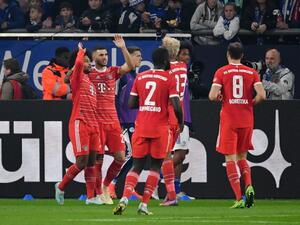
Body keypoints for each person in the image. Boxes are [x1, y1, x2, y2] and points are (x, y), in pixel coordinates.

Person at [113, 47, 183, 216]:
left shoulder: (141, 76)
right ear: (166, 61)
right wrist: (179, 122)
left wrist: (146, 104)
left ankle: (124, 199)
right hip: (160, 128)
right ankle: (143, 205)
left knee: (136, 166)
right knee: (155, 167)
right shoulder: (169, 78)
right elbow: (176, 104)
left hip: (141, 126)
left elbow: (130, 103)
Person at [209, 42, 266, 208]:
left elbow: (212, 96)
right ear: (242, 55)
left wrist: (221, 97)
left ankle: (239, 198)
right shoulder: (252, 72)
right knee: (243, 157)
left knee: (230, 159)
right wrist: (250, 103)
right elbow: (262, 95)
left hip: (229, 119)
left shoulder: (222, 71)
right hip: (246, 119)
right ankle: (249, 186)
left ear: (228, 54)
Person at [88, 34, 134, 205]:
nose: (104, 57)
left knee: (121, 157)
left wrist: (123, 47)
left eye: (106, 54)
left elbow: (130, 65)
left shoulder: (112, 72)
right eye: (101, 55)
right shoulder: (89, 73)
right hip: (97, 122)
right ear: (93, 58)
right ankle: (98, 192)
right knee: (98, 159)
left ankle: (106, 185)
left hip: (113, 121)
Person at [54, 43, 101, 205]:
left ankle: (91, 197)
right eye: (87, 61)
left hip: (93, 124)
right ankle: (60, 187)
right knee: (81, 162)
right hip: (80, 122)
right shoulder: (78, 77)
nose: (90, 64)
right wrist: (81, 52)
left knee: (91, 162)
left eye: (90, 61)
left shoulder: (89, 80)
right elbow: (79, 64)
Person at [110, 46, 143, 199]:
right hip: (125, 121)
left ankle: (130, 189)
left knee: (137, 157)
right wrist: (119, 120)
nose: (140, 59)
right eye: (137, 56)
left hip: (135, 121)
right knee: (130, 155)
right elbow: (116, 99)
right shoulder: (122, 76)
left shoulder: (135, 76)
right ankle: (111, 184)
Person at [159, 36, 187, 206]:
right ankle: (170, 194)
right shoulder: (182, 67)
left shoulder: (166, 71)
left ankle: (171, 195)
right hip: (177, 116)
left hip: (167, 115)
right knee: (165, 155)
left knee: (165, 156)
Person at [173, 41, 193, 199]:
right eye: (183, 54)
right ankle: (156, 179)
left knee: (182, 154)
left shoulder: (184, 70)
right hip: (176, 117)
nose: (186, 57)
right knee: (178, 154)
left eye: (188, 54)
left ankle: (176, 190)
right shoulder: (176, 68)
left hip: (185, 116)